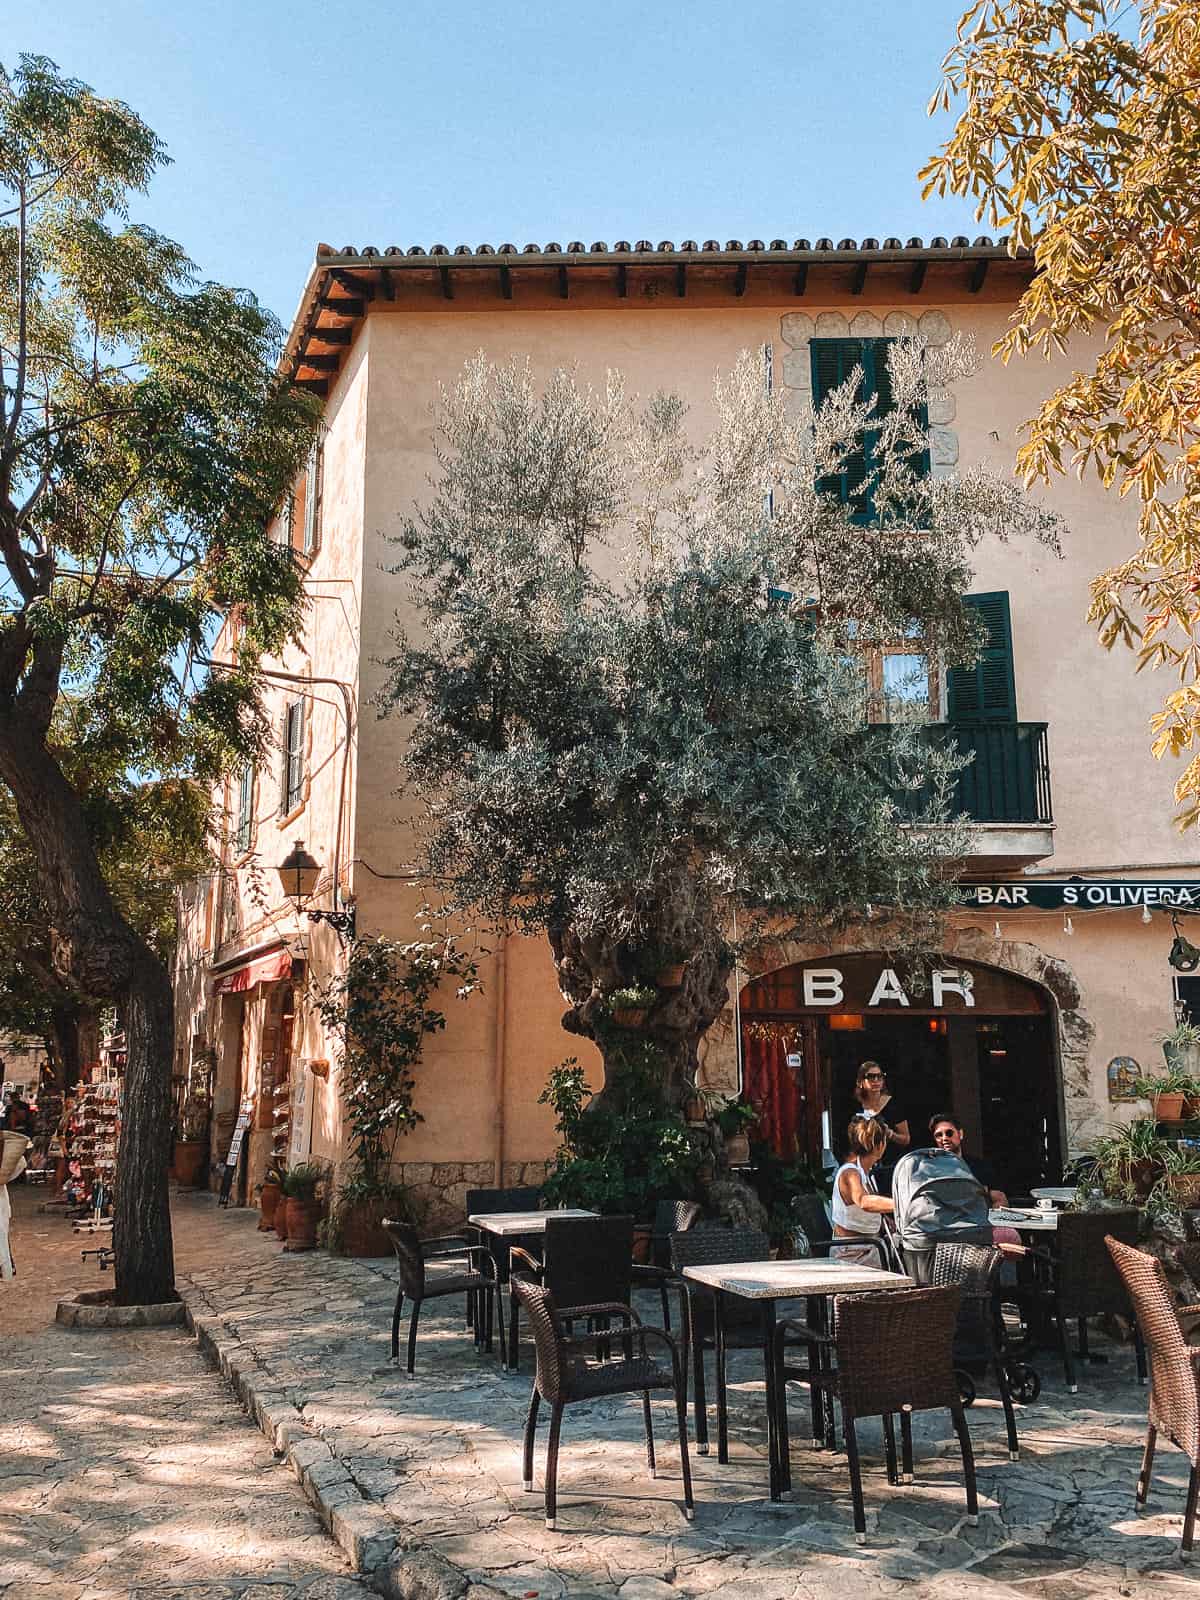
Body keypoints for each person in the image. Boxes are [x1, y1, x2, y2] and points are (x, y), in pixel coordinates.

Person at [831, 1115, 895, 1265]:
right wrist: (901, 1203)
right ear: (880, 1145)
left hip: (870, 1244)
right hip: (852, 1252)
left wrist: (884, 1218)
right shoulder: (850, 1173)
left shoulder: (867, 1173)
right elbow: (863, 1201)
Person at [852, 1060, 910, 1194]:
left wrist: (890, 1134)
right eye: (871, 1077)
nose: (876, 1080)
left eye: (880, 1076)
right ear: (861, 1081)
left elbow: (906, 1139)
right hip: (864, 1167)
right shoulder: (855, 1107)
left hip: (890, 1166)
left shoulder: (892, 1105)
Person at [928, 1113, 1008, 1206]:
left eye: (949, 1133)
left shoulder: (981, 1167)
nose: (944, 1138)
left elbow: (1000, 1200)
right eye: (939, 1135)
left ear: (960, 1134)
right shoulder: (930, 1170)